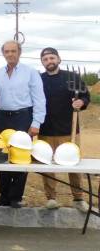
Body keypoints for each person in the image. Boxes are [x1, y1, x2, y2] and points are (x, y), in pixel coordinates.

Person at [0, 40, 46, 208]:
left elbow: (39, 99)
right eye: (6, 51)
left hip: (23, 116)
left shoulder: (30, 72)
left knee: (20, 156)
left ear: (19, 52)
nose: (10, 54)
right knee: (1, 155)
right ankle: (3, 195)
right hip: (2, 118)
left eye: (13, 51)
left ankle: (15, 197)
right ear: (3, 53)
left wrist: (36, 122)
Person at [39, 47, 90, 212]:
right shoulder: (39, 79)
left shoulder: (72, 77)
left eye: (52, 58)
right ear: (42, 62)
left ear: (59, 59)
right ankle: (51, 198)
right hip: (45, 129)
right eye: (46, 59)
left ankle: (78, 198)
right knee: (47, 165)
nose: (49, 61)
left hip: (69, 129)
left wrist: (81, 102)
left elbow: (85, 96)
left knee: (72, 164)